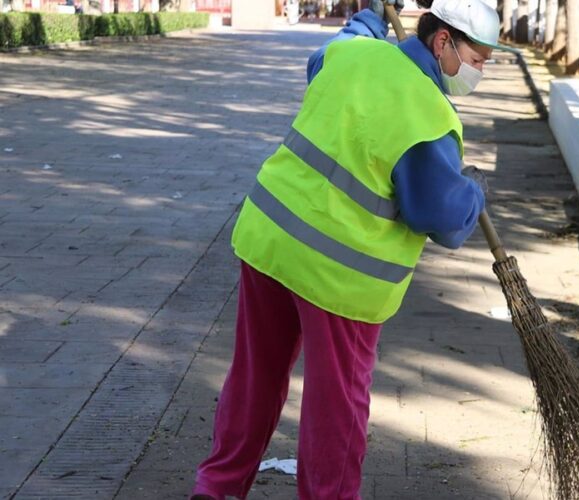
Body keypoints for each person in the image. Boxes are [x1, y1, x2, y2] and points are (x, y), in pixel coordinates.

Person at [189, 0, 501, 498]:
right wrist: (474, 191)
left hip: (269, 241)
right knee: (336, 406)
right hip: (341, 279)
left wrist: (366, 23)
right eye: (478, 59)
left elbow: (321, 60)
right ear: (443, 41)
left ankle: (216, 488)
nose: (480, 71)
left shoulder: (355, 53)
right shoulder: (429, 114)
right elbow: (438, 217)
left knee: (255, 378)